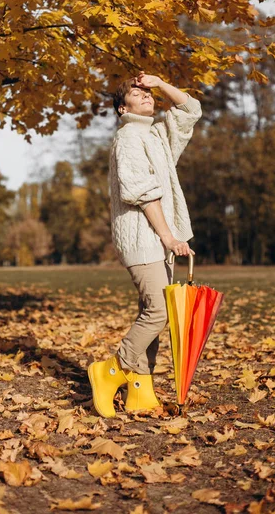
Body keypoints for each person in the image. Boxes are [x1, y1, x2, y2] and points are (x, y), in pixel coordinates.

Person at [88, 71, 202, 417]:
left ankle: (141, 390)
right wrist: (169, 236)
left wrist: (160, 83)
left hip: (160, 238)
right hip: (143, 236)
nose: (146, 96)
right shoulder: (127, 139)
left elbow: (190, 111)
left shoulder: (156, 134)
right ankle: (109, 371)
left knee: (149, 310)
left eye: (147, 93)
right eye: (137, 94)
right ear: (122, 109)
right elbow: (140, 192)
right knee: (160, 311)